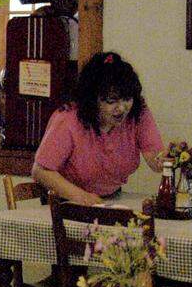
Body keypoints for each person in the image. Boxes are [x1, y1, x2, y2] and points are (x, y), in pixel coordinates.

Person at [32, 51, 164, 204]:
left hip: (111, 198)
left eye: (127, 99)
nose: (122, 108)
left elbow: (156, 161)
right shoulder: (68, 119)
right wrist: (83, 198)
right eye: (111, 101)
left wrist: (169, 159)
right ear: (92, 100)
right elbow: (40, 171)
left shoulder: (138, 113)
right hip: (66, 201)